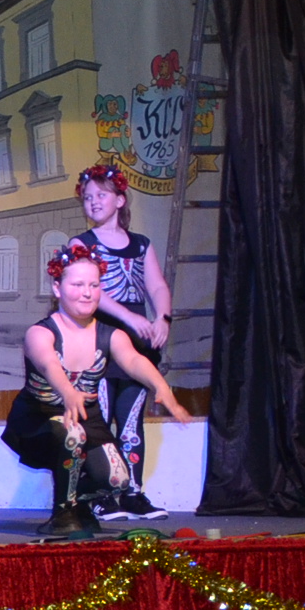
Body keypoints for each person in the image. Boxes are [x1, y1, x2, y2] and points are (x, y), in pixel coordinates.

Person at [3, 242, 191, 539]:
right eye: (77, 285)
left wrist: (161, 387)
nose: (87, 293)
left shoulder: (110, 334)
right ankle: (62, 514)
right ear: (57, 288)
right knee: (71, 433)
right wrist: (68, 393)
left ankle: (77, 504)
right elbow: (49, 364)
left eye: (94, 285)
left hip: (86, 419)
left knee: (117, 480)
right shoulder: (40, 333)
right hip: (40, 419)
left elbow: (133, 361)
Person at [73, 165, 176, 519]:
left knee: (131, 424)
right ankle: (99, 493)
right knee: (98, 422)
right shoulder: (82, 245)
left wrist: (162, 318)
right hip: (99, 343)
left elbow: (156, 285)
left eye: (101, 195)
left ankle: (133, 492)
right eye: (87, 197)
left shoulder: (141, 244)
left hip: (136, 346)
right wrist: (130, 318)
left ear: (119, 200)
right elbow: (93, 292)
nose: (93, 202)